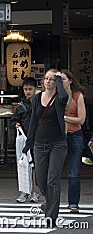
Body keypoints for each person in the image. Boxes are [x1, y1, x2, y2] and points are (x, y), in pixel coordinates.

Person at [22, 69, 68, 226]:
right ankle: (50, 202)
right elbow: (34, 121)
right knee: (41, 180)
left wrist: (60, 80)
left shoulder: (60, 98)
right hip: (40, 143)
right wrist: (28, 144)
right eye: (46, 79)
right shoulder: (36, 99)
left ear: (56, 82)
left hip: (58, 143)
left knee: (53, 180)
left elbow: (64, 96)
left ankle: (50, 217)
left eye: (52, 79)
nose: (48, 82)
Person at [10, 77, 40, 203]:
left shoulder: (40, 103)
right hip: (25, 140)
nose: (28, 91)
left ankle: (36, 192)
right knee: (23, 166)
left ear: (35, 89)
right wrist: (16, 125)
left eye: (30, 89)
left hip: (38, 139)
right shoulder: (20, 106)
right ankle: (25, 191)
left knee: (37, 167)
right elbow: (13, 120)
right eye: (26, 89)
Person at [61, 69, 86, 213]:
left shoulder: (78, 96)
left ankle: (73, 203)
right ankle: (50, 200)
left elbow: (81, 120)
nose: (60, 82)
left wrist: (64, 118)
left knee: (74, 171)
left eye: (63, 79)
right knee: (53, 171)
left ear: (70, 80)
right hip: (58, 136)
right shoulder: (55, 96)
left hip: (74, 135)